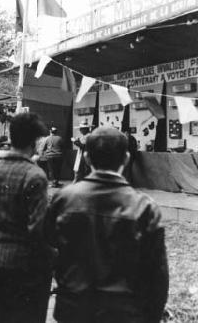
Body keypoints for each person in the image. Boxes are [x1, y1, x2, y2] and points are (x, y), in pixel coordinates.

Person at [45, 127, 168, 323]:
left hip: (74, 308)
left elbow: (47, 249)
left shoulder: (64, 199)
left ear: (86, 158)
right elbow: (157, 276)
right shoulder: (144, 207)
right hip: (123, 312)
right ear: (126, 159)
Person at [0, 113, 52, 323]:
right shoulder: (35, 176)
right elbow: (39, 229)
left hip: (0, 265)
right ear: (34, 142)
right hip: (30, 270)